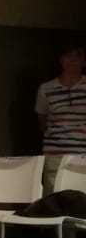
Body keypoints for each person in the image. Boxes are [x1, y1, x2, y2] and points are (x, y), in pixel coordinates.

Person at [36, 40, 86, 189]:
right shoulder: (46, 88)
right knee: (54, 198)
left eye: (77, 56)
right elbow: (42, 121)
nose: (72, 60)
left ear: (83, 61)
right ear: (61, 60)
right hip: (55, 155)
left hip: (83, 154)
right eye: (68, 56)